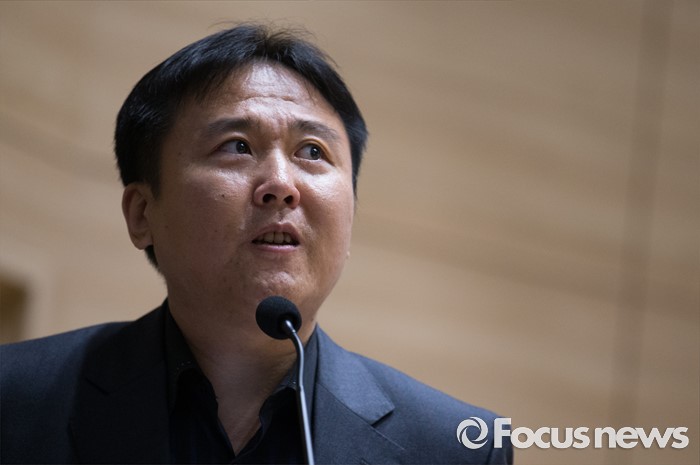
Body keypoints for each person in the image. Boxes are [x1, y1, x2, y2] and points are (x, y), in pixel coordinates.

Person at [0, 24, 512, 464]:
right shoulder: (14, 399)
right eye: (237, 146)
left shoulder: (456, 446)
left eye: (313, 151)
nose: (281, 184)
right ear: (142, 214)